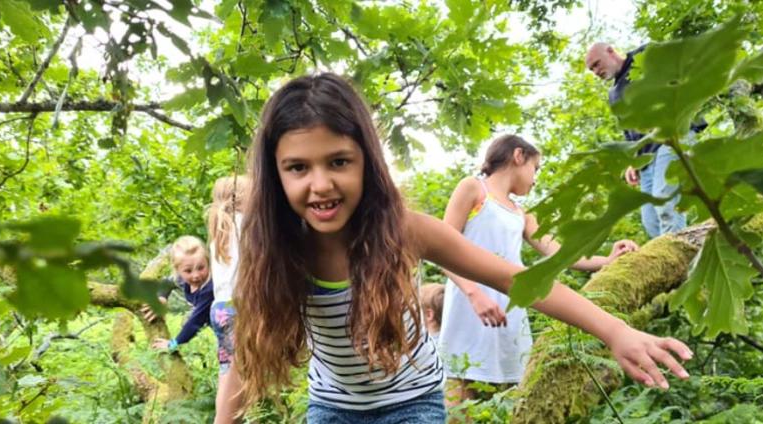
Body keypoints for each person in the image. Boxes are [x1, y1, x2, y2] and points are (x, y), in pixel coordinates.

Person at [230, 73, 693, 423]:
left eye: (338, 162)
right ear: (275, 174)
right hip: (331, 407)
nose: (321, 184)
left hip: (412, 403)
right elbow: (245, 350)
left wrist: (615, 332)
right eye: (297, 168)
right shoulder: (273, 250)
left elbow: (515, 277)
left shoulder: (404, 231)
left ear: (367, 162)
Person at [440, 134, 639, 409]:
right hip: (469, 305)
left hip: (510, 307)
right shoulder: (473, 189)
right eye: (536, 168)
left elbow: (560, 253)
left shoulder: (522, 213)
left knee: (511, 398)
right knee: (462, 395)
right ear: (518, 156)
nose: (535, 179)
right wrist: (473, 293)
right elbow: (440, 247)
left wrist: (608, 259)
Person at [585, 42, 707, 238]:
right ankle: (676, 259)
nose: (595, 71)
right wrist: (632, 162)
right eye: (591, 69)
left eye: (597, 64)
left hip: (673, 136)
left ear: (610, 51)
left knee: (665, 202)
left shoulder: (643, 54)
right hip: (647, 157)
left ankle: (675, 259)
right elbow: (629, 132)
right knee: (649, 219)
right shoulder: (614, 93)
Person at [206, 175, 251, 424]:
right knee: (242, 373)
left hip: (220, 308)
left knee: (227, 371)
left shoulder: (219, 229)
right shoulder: (246, 224)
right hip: (240, 306)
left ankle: (223, 418)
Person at [146, 236, 214, 352]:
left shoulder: (209, 289)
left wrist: (174, 343)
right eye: (188, 271)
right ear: (178, 270)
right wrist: (161, 299)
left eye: (201, 268)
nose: (196, 275)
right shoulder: (181, 280)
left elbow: (195, 322)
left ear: (208, 263)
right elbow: (166, 282)